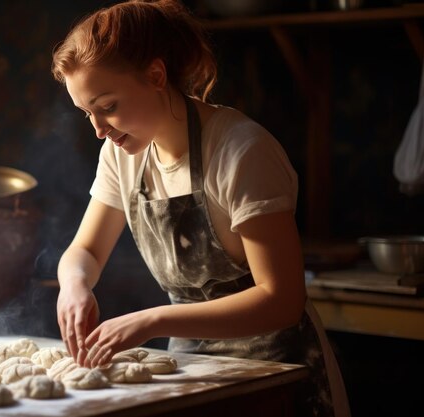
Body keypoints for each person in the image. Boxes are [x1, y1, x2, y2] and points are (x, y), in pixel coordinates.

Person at [51, 1, 350, 416]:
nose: (100, 130)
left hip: (278, 372)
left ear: (156, 76)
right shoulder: (122, 155)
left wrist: (154, 321)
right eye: (87, 113)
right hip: (192, 368)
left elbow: (282, 298)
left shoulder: (241, 151)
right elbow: (84, 252)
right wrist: (74, 286)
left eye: (108, 106)